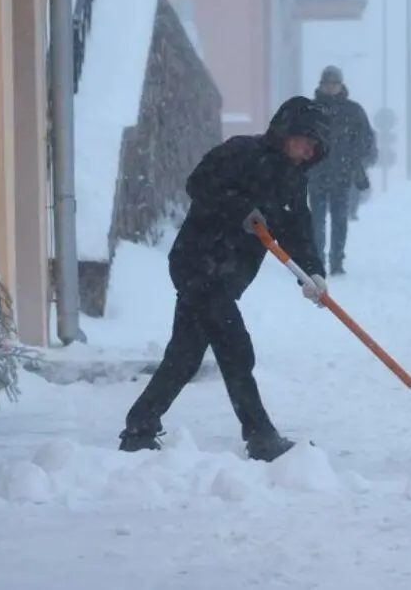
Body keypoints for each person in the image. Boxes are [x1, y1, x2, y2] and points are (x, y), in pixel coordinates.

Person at [118, 96, 331, 462]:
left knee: (184, 357)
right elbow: (198, 183)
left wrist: (312, 272)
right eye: (304, 142)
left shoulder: (294, 181)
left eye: (313, 148)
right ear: (285, 132)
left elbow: (299, 230)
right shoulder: (241, 153)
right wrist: (241, 210)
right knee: (235, 349)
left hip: (228, 275)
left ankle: (140, 425)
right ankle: (259, 434)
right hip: (199, 264)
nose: (306, 152)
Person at [310, 65, 375, 275]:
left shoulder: (353, 111)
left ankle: (337, 260)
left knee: (339, 220)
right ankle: (317, 260)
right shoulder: (309, 111)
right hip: (316, 174)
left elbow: (366, 140)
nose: (330, 88)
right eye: (327, 84)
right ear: (321, 86)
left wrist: (357, 163)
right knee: (316, 220)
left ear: (341, 85)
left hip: (342, 175)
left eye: (334, 84)